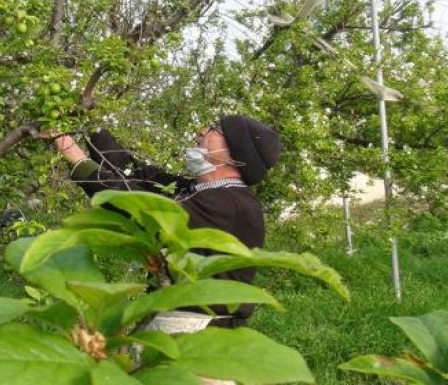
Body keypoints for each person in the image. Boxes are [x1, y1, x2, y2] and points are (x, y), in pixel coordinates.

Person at [49, 115, 282, 328]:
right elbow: (136, 174)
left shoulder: (228, 204)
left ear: (233, 154)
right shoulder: (203, 191)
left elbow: (139, 205)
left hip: (199, 333)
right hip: (176, 321)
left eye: (215, 130)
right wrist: (91, 124)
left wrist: (77, 159)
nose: (201, 131)